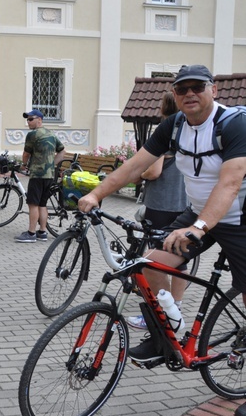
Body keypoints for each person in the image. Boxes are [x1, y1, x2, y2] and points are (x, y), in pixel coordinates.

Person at [77, 64, 246, 365]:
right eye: (182, 89)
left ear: (213, 90)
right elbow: (134, 166)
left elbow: (230, 182)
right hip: (197, 214)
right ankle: (166, 335)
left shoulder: (235, 124)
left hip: (238, 219)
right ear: (175, 95)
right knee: (152, 264)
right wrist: (96, 194)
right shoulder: (175, 125)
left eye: (198, 87)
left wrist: (199, 227)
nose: (190, 94)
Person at [126, 92, 188, 331]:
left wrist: (139, 175)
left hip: (161, 203)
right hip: (183, 204)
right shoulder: (188, 129)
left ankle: (159, 314)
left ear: (162, 108)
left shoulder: (166, 129)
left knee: (154, 261)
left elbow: (154, 171)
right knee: (179, 260)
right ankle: (176, 308)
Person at [15, 109, 65, 243]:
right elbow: (62, 151)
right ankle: (42, 232)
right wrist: (52, 165)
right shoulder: (51, 134)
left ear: (39, 120)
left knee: (33, 204)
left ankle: (31, 234)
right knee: (42, 204)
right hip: (49, 176)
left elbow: (26, 154)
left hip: (37, 174)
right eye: (27, 119)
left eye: (31, 119)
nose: (28, 122)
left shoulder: (32, 135)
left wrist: (24, 165)